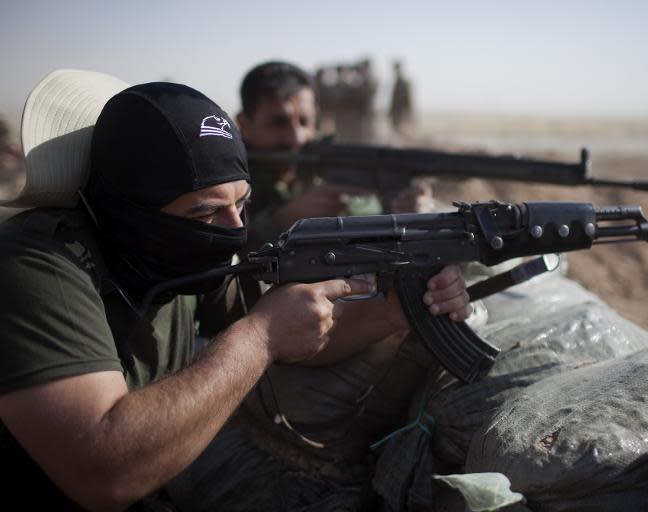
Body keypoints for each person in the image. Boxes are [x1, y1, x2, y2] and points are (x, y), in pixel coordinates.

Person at [0, 69, 471, 510]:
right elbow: (103, 472)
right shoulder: (36, 265)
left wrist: (403, 306)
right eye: (205, 215)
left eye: (242, 205)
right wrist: (259, 335)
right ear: (128, 209)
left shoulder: (174, 256)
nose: (234, 230)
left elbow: (302, 329)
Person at [235, 61, 433, 251]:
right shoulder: (229, 179)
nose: (296, 138)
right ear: (244, 124)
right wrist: (278, 223)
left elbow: (368, 219)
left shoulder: (331, 163)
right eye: (277, 123)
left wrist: (407, 215)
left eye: (305, 122)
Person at [389, 60, 414, 135]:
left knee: (402, 132)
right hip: (396, 111)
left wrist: (408, 112)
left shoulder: (404, 82)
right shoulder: (397, 81)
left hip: (401, 112)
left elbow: (408, 99)